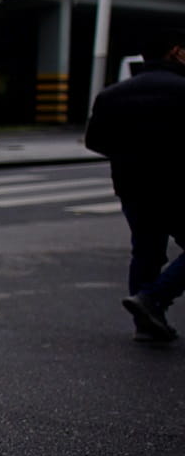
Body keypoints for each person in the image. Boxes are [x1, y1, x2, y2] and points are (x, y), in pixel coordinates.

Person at [84, 26, 185, 343]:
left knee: (146, 252)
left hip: (133, 187)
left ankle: (146, 325)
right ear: (176, 52)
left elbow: (95, 141)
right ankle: (153, 299)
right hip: (179, 186)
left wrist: (131, 153)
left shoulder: (113, 94)